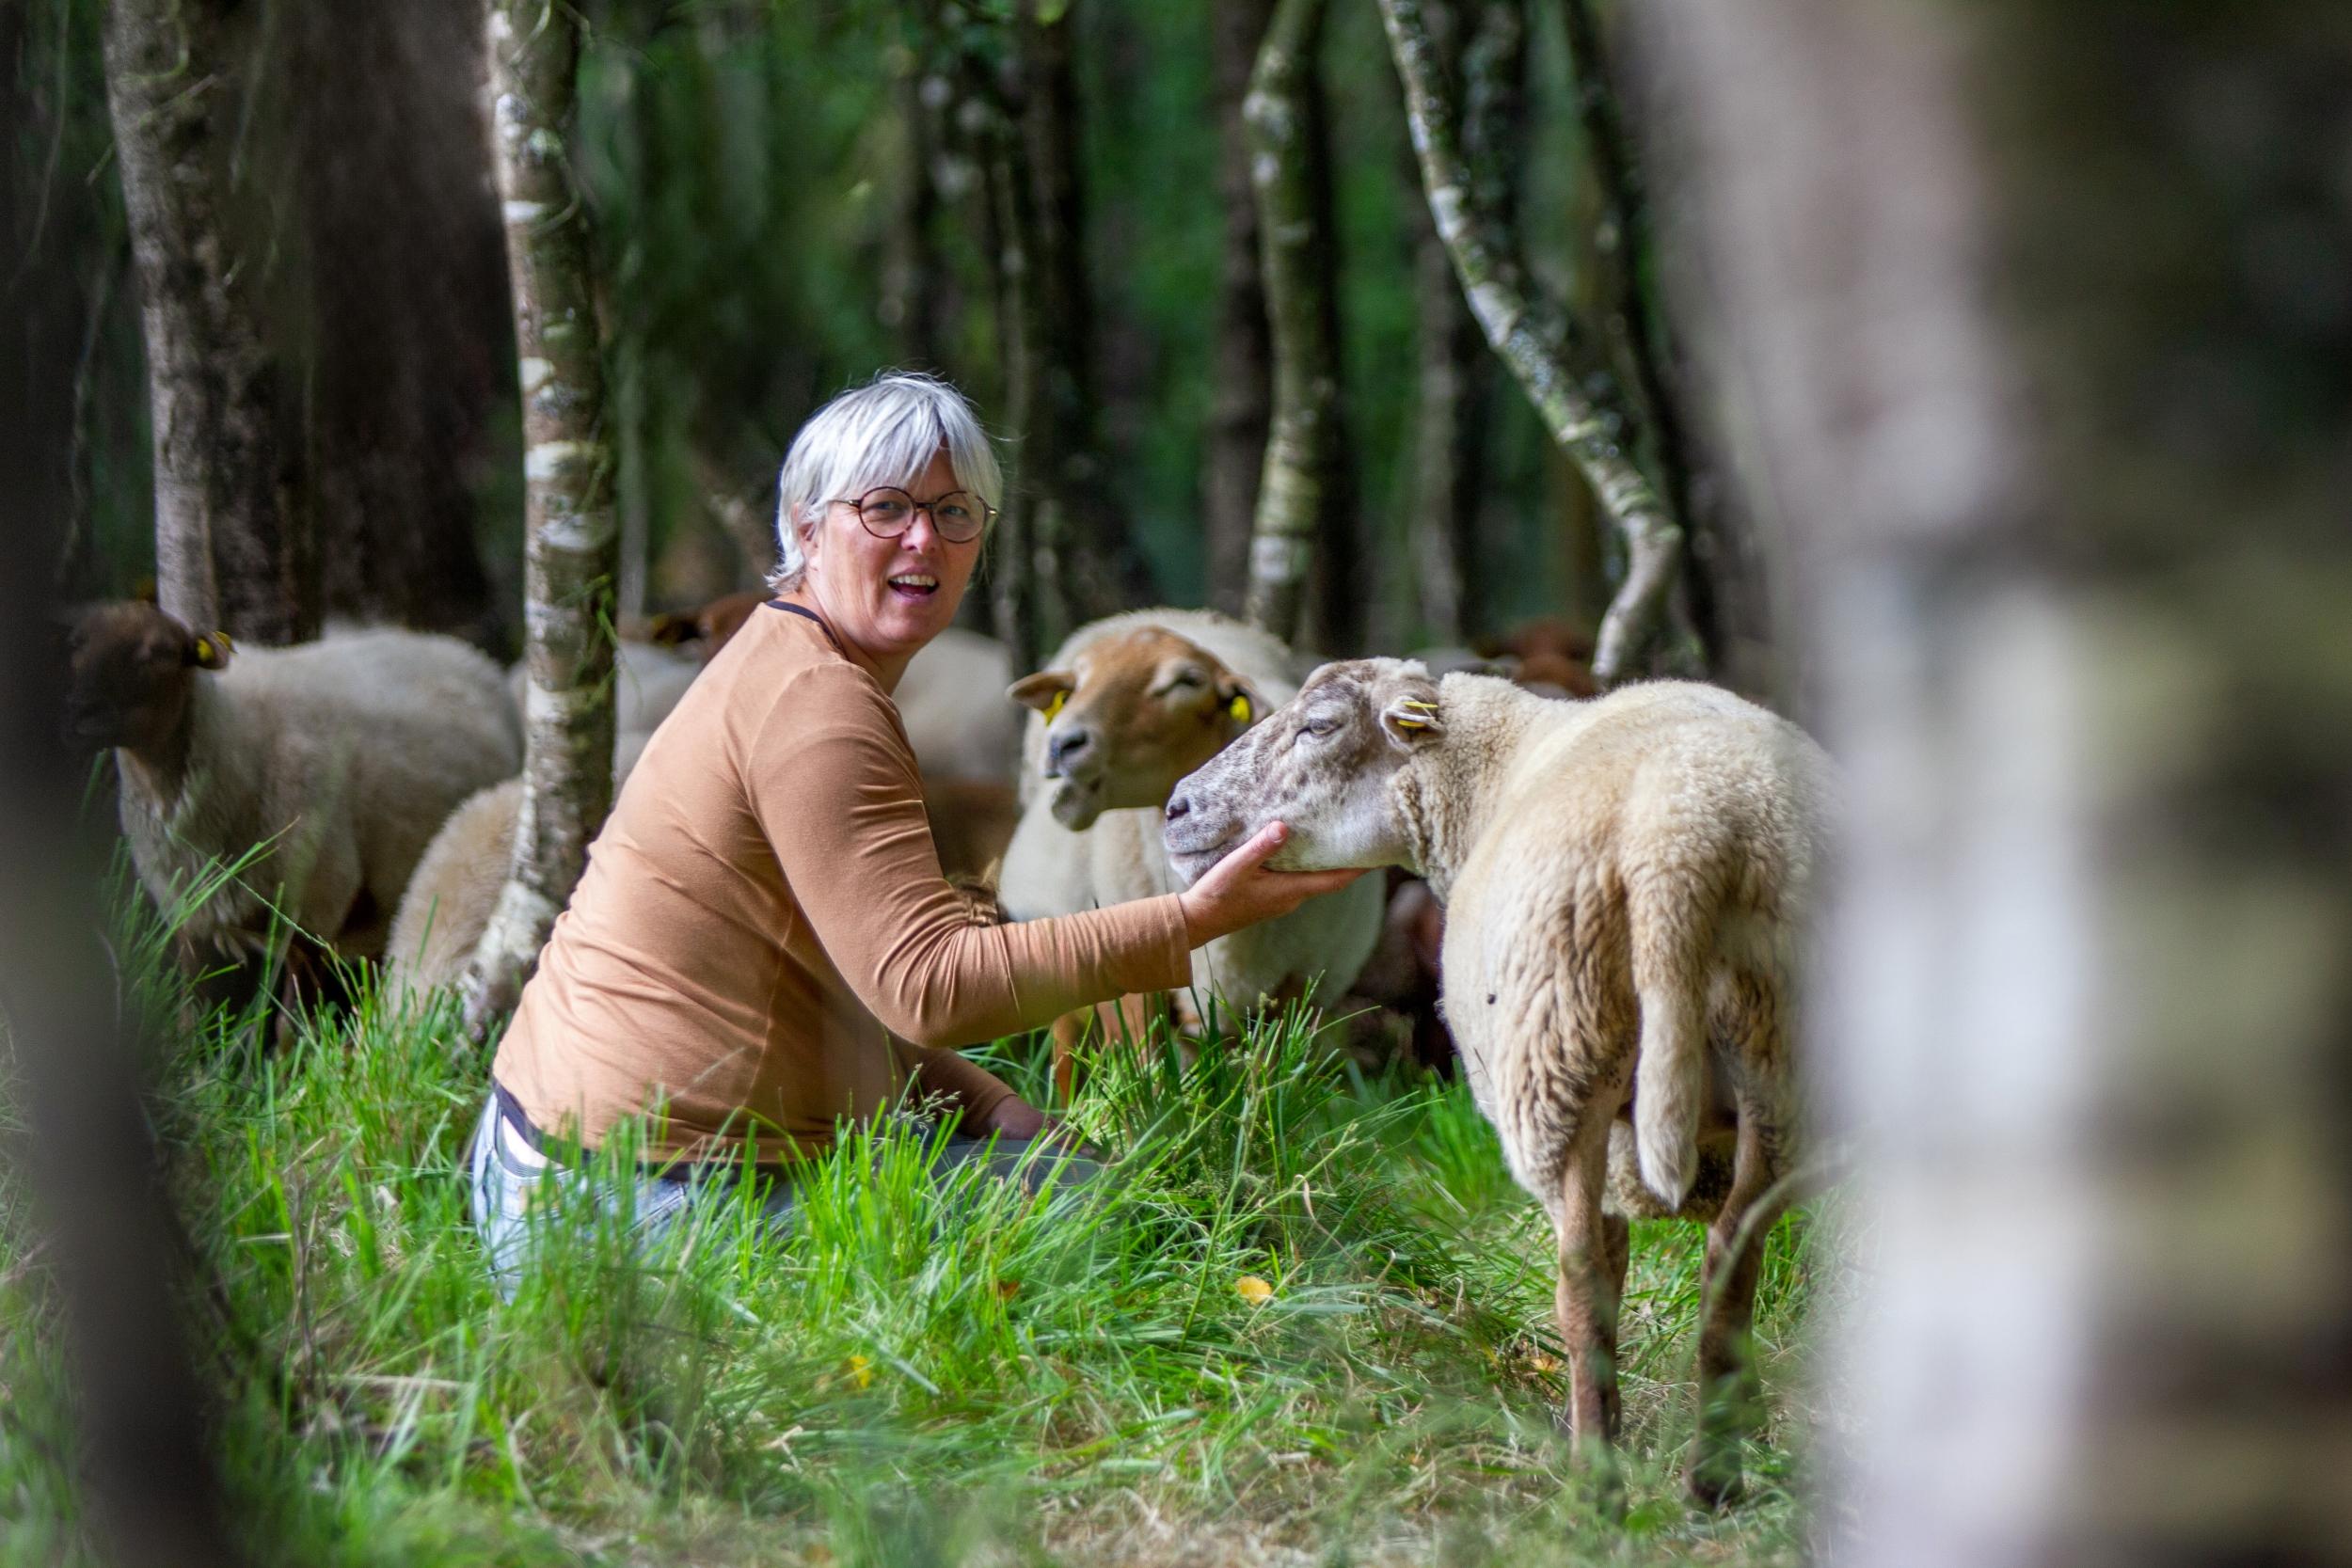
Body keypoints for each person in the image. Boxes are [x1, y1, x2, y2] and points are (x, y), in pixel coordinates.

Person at [469, 371, 1360, 1289]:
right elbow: (927, 988)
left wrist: (987, 1103)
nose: (924, 537)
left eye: (955, 511)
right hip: (625, 1210)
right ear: (808, 528)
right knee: (1130, 1232)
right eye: (886, 507)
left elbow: (841, 977)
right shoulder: (820, 707)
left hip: (552, 1164)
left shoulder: (791, 660)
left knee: (1071, 1180)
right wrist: (1193, 922)